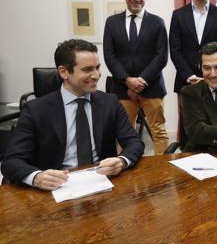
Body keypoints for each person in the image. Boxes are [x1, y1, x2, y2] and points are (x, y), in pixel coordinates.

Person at [1, 39, 144, 191]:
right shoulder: (35, 110)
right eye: (87, 69)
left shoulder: (110, 102)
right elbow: (11, 161)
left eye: (98, 67)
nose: (96, 75)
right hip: (56, 189)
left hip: (101, 184)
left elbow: (134, 143)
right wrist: (37, 177)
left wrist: (122, 161)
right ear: (64, 72)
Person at [103, 0, 169, 154]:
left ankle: (162, 172)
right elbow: (109, 56)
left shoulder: (157, 22)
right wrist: (127, 80)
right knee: (125, 134)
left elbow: (162, 56)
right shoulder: (112, 23)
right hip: (122, 89)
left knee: (159, 132)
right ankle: (126, 169)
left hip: (152, 87)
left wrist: (141, 80)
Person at [169, 0, 217, 148]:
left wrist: (208, 75)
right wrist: (190, 76)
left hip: (214, 80)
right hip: (185, 81)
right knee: (188, 126)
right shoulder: (178, 15)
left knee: (214, 125)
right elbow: (175, 50)